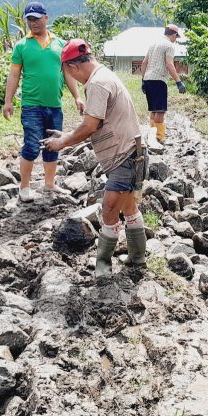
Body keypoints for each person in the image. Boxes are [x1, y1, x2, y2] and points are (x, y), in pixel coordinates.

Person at [44, 40, 148, 276]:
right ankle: (137, 260)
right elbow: (97, 122)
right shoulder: (103, 75)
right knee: (129, 207)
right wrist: (69, 135)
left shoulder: (98, 84)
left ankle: (102, 267)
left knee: (110, 209)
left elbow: (90, 125)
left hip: (124, 156)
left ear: (71, 68)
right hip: (131, 153)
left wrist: (63, 141)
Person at [2, 2, 84, 202]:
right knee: (31, 145)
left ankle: (49, 185)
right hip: (31, 105)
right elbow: (14, 75)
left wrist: (77, 96)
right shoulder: (22, 46)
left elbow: (67, 73)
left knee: (53, 145)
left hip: (55, 105)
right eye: (29, 19)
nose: (33, 23)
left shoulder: (60, 44)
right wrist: (8, 101)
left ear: (46, 18)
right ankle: (25, 187)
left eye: (37, 18)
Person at [139, 25, 186, 143]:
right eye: (176, 37)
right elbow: (169, 65)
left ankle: (151, 136)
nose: (176, 39)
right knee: (160, 111)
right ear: (174, 35)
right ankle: (159, 138)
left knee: (153, 110)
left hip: (148, 79)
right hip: (159, 80)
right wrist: (178, 81)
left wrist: (143, 80)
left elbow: (144, 63)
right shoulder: (169, 46)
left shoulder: (153, 44)